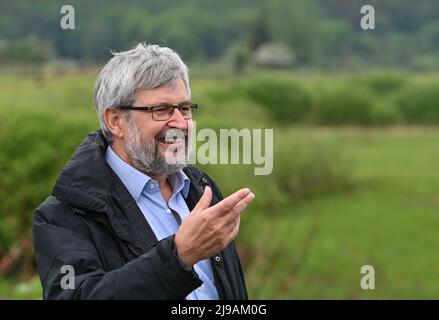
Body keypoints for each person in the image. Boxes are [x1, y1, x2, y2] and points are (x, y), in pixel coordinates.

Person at [32, 43, 254, 300]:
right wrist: (178, 258)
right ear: (115, 121)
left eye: (184, 108)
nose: (180, 123)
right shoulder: (65, 215)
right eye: (161, 110)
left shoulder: (200, 190)